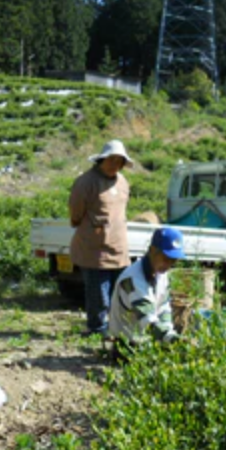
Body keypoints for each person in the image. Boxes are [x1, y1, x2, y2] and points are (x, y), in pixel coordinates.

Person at [68, 139, 132, 336]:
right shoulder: (86, 182)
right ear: (101, 160)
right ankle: (96, 328)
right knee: (98, 293)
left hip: (118, 246)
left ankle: (113, 326)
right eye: (111, 160)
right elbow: (75, 212)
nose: (114, 164)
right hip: (94, 247)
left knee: (117, 292)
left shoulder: (123, 182)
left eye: (119, 161)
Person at [108, 226, 186, 358]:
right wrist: (173, 340)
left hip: (149, 341)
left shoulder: (160, 273)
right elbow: (147, 320)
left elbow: (163, 307)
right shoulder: (133, 279)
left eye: (173, 261)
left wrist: (168, 333)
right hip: (128, 346)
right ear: (151, 250)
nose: (168, 265)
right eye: (166, 258)